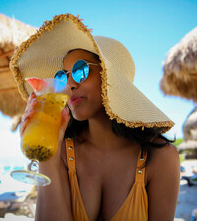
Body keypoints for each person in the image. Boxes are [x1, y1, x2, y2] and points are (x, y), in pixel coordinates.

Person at [10, 14, 180, 221]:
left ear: (112, 79)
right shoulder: (63, 150)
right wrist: (49, 155)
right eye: (62, 76)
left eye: (81, 70)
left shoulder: (160, 157)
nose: (69, 85)